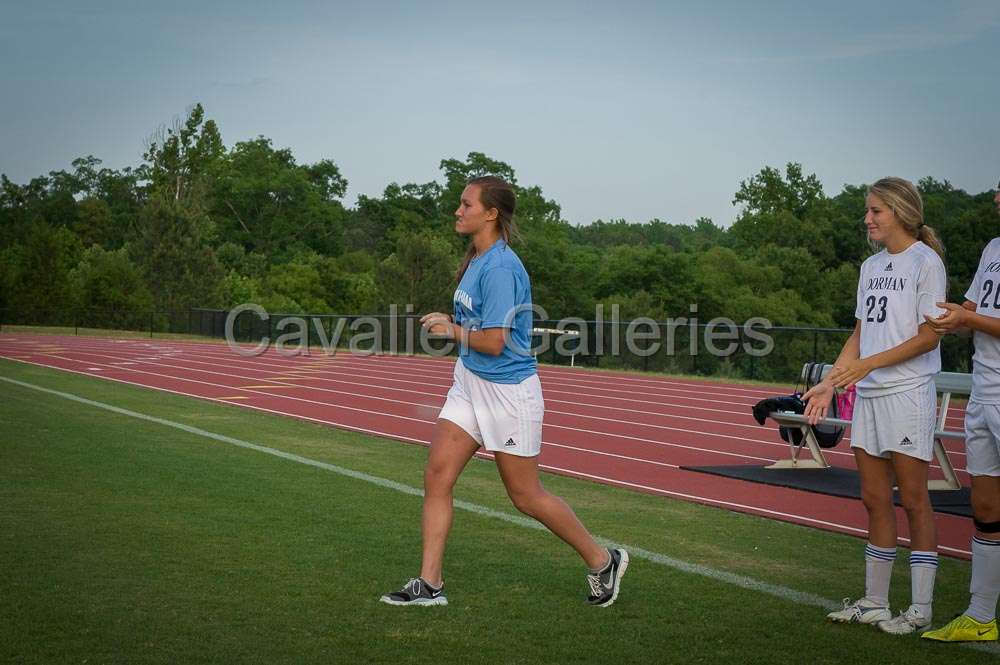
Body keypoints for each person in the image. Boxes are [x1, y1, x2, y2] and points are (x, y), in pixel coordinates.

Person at [380, 175, 628, 608]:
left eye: (466, 204)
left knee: (525, 496)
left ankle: (601, 559)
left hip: (508, 392)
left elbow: (495, 341)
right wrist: (452, 322)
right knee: (437, 475)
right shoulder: (476, 258)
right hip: (469, 382)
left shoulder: (499, 267)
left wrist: (451, 330)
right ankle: (429, 583)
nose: (458, 211)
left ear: (491, 213)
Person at [803, 177, 947, 635]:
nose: (867, 219)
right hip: (870, 396)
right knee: (873, 499)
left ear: (901, 212)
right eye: (868, 211)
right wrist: (829, 383)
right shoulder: (870, 267)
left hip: (907, 394)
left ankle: (921, 608)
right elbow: (860, 333)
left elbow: (929, 337)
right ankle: (875, 602)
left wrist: (867, 367)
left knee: (915, 501)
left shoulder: (926, 263)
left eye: (876, 211)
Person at [921, 179, 1000, 642]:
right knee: (986, 506)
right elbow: (972, 310)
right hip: (982, 390)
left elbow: (975, 317)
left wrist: (967, 318)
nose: (994, 197)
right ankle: (981, 615)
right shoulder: (993, 246)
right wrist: (948, 316)